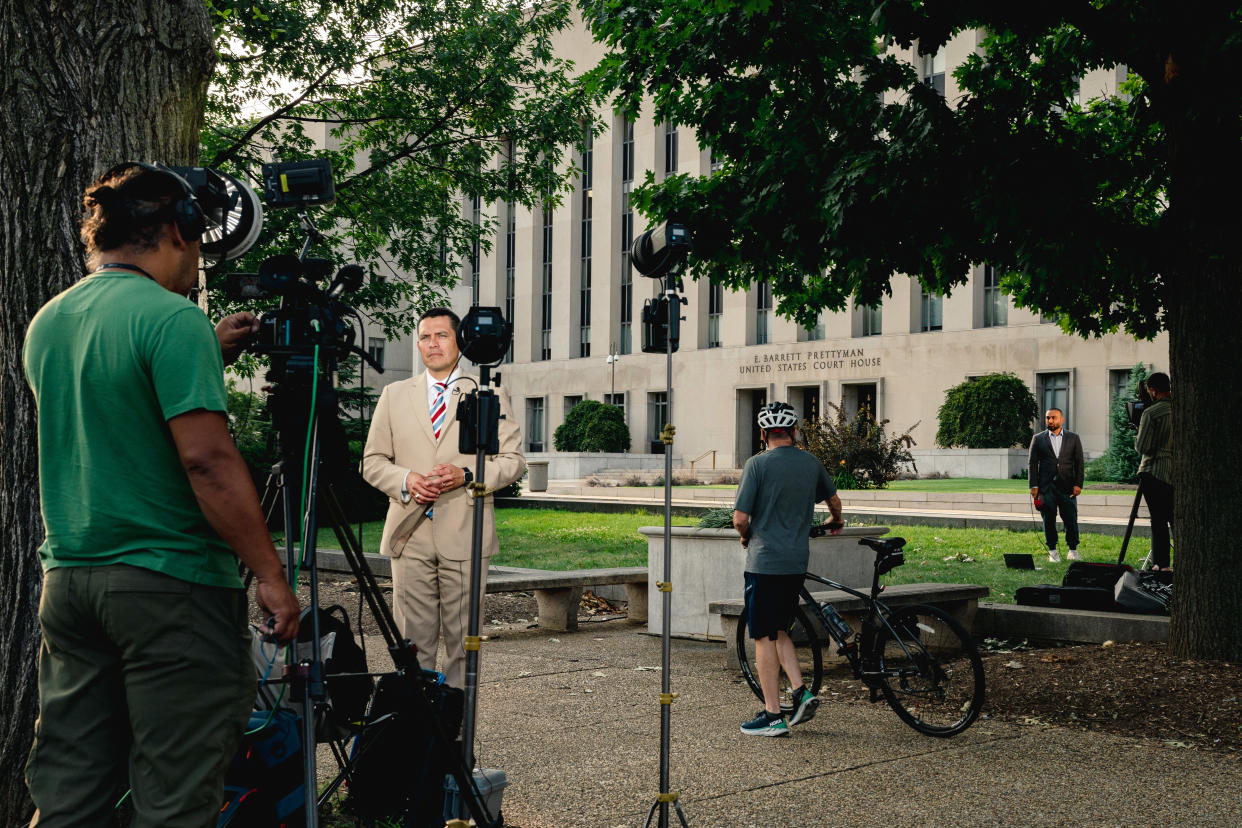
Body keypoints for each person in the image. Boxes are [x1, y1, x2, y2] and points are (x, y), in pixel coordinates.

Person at [22, 162, 300, 826]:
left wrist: (204, 348)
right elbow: (206, 461)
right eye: (199, 244)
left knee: (70, 791)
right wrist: (270, 574)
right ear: (178, 231)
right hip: (170, 588)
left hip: (71, 585)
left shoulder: (49, 322)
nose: (197, 262)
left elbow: (117, 411)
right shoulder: (171, 321)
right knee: (175, 795)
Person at [362, 307, 525, 689]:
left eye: (441, 335)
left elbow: (513, 461)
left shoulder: (489, 393)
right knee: (412, 645)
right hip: (409, 533)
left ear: (460, 341)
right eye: (424, 337)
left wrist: (467, 476)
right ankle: (417, 732)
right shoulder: (394, 394)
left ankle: (454, 735)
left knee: (463, 645)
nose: (432, 344)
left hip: (465, 534)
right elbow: (372, 461)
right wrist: (406, 479)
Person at [732, 401, 843, 737]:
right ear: (795, 432)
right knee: (780, 629)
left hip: (765, 564)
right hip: (796, 561)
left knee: (764, 637)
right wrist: (836, 521)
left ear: (764, 434)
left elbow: (739, 518)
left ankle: (773, 716)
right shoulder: (810, 463)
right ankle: (799, 691)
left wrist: (746, 535)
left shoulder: (757, 464)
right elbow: (835, 502)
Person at [1028, 407, 1085, 562]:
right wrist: (1033, 485)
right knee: (1048, 519)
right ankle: (1052, 551)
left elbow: (1079, 463)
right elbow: (1032, 464)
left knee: (1071, 518)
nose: (1050, 421)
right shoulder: (1038, 439)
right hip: (1046, 487)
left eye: (1053, 418)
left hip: (1068, 486)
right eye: (1048, 418)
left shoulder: (1073, 438)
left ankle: (1072, 549)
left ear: (1061, 420)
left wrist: (1078, 484)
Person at [1135, 372, 1174, 571]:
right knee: (1174, 519)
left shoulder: (1151, 413)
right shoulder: (1181, 409)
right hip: (1174, 472)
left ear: (1153, 390)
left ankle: (1161, 564)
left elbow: (1142, 447)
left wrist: (1138, 431)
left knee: (1158, 521)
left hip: (1153, 470)